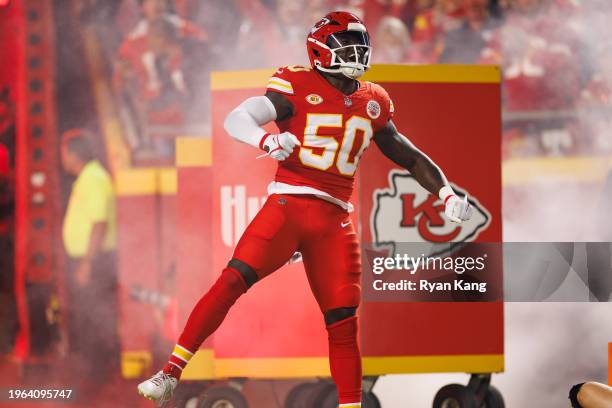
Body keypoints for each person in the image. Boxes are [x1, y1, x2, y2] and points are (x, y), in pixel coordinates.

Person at [138, 11, 473, 407]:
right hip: (289, 205)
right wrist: (265, 142)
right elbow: (238, 117)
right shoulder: (295, 83)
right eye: (347, 45)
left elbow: (408, 155)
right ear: (320, 49)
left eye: (361, 45)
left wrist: (446, 194)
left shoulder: (373, 100)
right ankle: (170, 373)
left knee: (344, 324)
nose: (357, 52)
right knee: (230, 282)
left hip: (334, 219)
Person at [61, 129, 120, 382]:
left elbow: (99, 223)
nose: (62, 158)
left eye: (63, 153)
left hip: (94, 260)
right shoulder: (89, 177)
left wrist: (86, 263)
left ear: (74, 155)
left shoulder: (93, 178)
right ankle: (94, 369)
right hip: (92, 258)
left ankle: (94, 374)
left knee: (92, 313)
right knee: (89, 312)